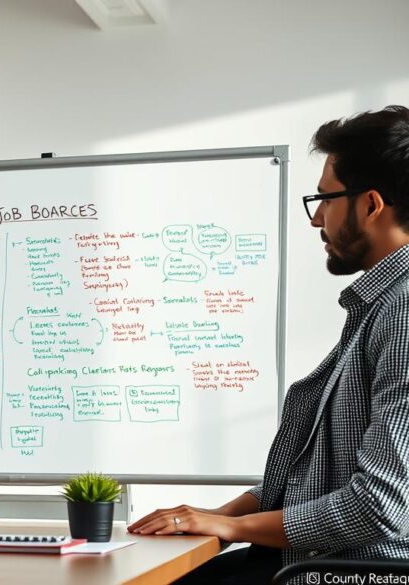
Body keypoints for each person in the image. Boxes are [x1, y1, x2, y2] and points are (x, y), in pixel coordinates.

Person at [128, 106, 409, 583]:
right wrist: (215, 515)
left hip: (349, 571)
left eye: (326, 199)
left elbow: (380, 506)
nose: (317, 218)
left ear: (370, 205)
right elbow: (313, 477)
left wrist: (234, 527)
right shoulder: (377, 306)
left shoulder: (402, 312)